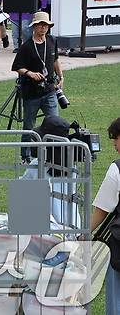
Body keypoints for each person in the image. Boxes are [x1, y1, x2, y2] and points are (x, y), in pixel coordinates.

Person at [11, 11, 63, 159]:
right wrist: (29, 73)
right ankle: (26, 156)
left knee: (55, 123)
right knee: (29, 126)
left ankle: (54, 156)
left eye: (46, 25)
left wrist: (61, 76)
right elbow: (17, 66)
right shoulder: (27, 46)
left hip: (50, 90)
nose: (43, 28)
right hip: (31, 93)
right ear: (34, 27)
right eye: (40, 25)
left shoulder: (52, 41)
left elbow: (55, 60)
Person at [90, 117, 120, 314]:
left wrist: (84, 233)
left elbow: (102, 208)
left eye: (115, 139)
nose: (114, 144)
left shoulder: (116, 169)